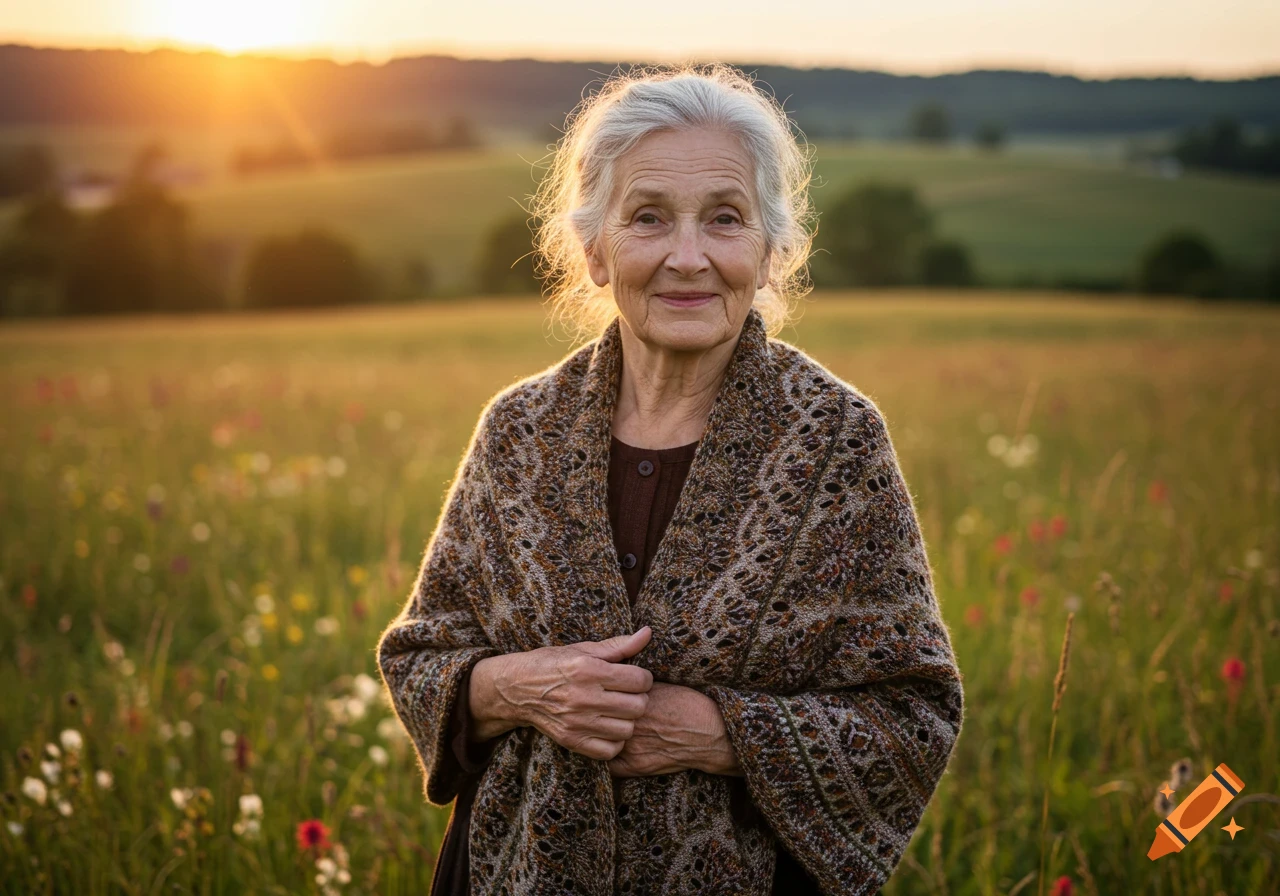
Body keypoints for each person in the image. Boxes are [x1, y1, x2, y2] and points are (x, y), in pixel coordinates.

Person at [377, 62, 964, 896]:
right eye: (648, 218)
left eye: (724, 220)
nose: (688, 258)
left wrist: (718, 734)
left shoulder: (836, 444)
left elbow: (916, 717)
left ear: (770, 252)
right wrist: (520, 687)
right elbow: (420, 660)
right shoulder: (519, 433)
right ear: (593, 250)